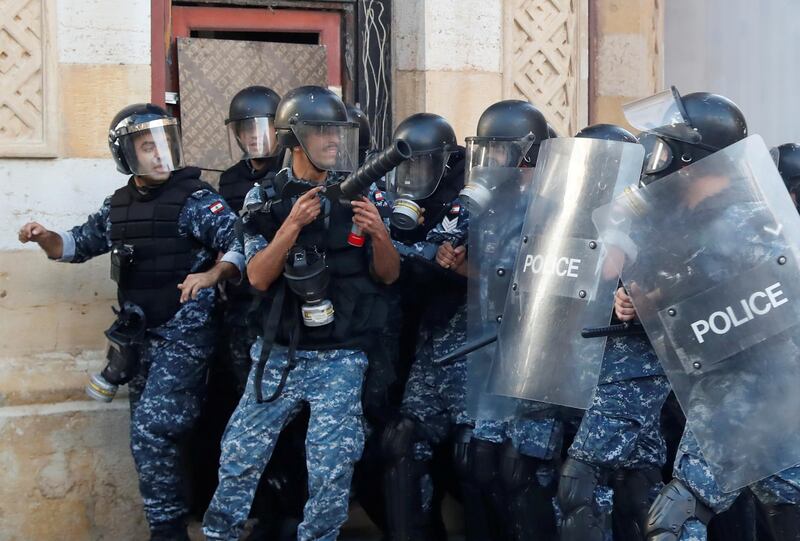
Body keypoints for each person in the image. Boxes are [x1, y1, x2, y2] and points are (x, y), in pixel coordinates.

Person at [18, 103, 243, 541]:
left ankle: (171, 529)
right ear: (127, 156)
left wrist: (214, 273)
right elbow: (77, 244)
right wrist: (43, 236)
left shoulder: (197, 199)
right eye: (147, 147)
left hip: (185, 337)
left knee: (154, 429)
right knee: (146, 437)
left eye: (165, 144)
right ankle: (168, 526)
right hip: (139, 340)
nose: (161, 155)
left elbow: (241, 244)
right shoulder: (118, 205)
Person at [202, 85, 400, 541]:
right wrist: (291, 225)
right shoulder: (262, 198)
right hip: (280, 353)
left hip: (341, 355)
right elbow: (256, 278)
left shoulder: (364, 192)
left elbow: (389, 277)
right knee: (239, 456)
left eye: (338, 132)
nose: (334, 142)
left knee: (331, 468)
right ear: (294, 137)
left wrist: (380, 235)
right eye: (323, 133)